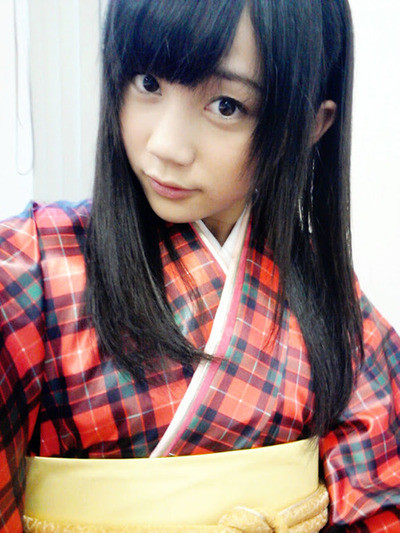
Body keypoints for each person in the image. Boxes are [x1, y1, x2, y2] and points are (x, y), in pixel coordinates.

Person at [0, 0, 399, 531]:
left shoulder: (330, 300)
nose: (165, 145)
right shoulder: (28, 268)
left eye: (226, 105)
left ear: (310, 125)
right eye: (148, 82)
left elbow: (379, 495)